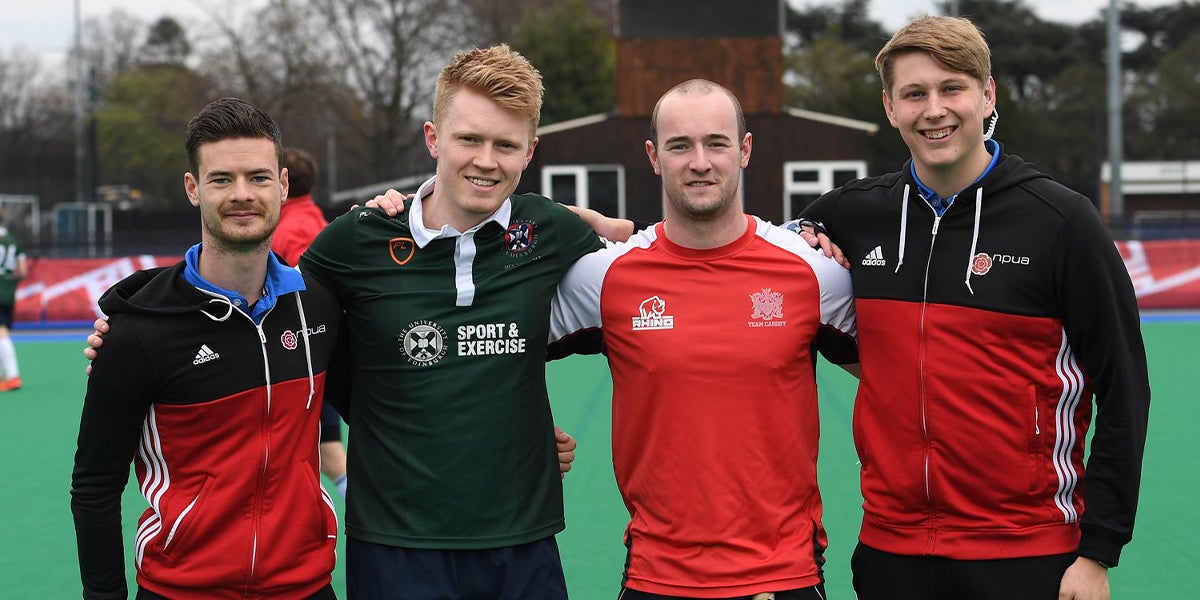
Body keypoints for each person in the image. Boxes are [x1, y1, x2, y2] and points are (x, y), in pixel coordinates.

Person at [575, 16, 1150, 600]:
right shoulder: (854, 216)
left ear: (987, 94)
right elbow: (776, 243)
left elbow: (1124, 387)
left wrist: (1098, 550)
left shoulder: (1062, 222)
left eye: (951, 89)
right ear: (890, 107)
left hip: (1028, 549)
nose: (934, 110)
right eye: (914, 94)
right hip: (892, 550)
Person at [297, 44, 603, 599]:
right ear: (433, 138)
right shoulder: (355, 240)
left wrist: (810, 229)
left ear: (529, 152)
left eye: (505, 145)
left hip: (523, 542)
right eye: (470, 139)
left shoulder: (550, 231)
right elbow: (270, 319)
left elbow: (661, 252)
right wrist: (129, 320)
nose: (486, 160)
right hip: (396, 547)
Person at [544, 79, 859, 599]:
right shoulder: (605, 278)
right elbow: (497, 345)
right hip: (656, 576)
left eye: (716, 143)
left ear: (745, 150)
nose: (700, 162)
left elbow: (898, 375)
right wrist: (523, 432)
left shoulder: (812, 272)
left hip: (785, 575)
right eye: (679, 145)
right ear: (653, 156)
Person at [71, 97, 344, 599]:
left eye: (259, 178)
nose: (242, 194)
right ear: (193, 189)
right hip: (180, 589)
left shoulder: (320, 306)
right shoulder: (139, 330)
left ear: (283, 185)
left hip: (307, 586)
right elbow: (94, 488)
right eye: (221, 179)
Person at [273, 146, 350, 498]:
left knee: (324, 447)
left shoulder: (293, 228)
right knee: (325, 448)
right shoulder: (312, 218)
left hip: (306, 353)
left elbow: (312, 292)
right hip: (313, 350)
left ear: (283, 182)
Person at [0, 207, 27, 391]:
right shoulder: (14, 243)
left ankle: (12, 376)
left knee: (2, 333)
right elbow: (23, 271)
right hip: (8, 291)